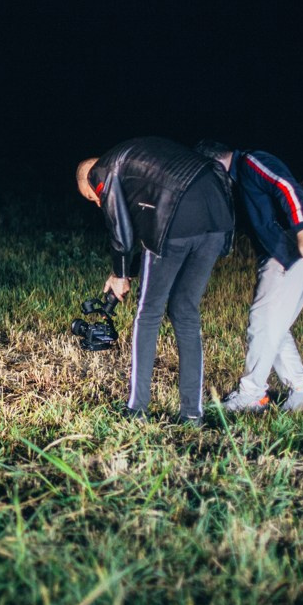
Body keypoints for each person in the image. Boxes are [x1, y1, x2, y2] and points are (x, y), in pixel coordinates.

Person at [75, 137, 234, 425]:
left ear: (90, 179)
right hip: (218, 216)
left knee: (148, 314)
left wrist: (121, 275)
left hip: (177, 215)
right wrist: (127, 269)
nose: (97, 201)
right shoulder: (138, 161)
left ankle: (137, 410)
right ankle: (192, 414)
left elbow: (121, 230)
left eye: (91, 196)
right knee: (185, 311)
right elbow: (145, 233)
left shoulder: (102, 170)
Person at [194, 141, 303, 413]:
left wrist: (301, 229)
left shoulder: (250, 163)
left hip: (291, 250)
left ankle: (252, 393)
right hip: (281, 254)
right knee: (272, 325)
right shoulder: (239, 181)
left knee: (262, 322)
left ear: (213, 164)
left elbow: (286, 186)